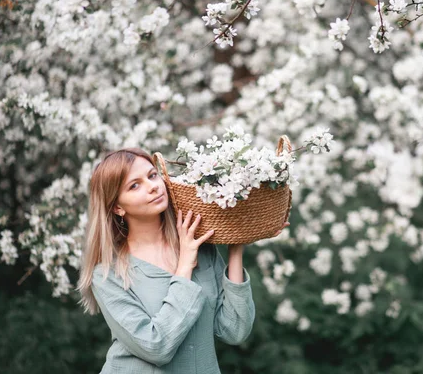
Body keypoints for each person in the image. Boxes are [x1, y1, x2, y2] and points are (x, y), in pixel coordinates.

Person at [77, 148, 288, 373]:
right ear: (118, 207)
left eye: (152, 175)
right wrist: (185, 265)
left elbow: (234, 330)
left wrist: (237, 244)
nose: (152, 186)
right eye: (134, 185)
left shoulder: (199, 247)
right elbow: (156, 347)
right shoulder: (107, 274)